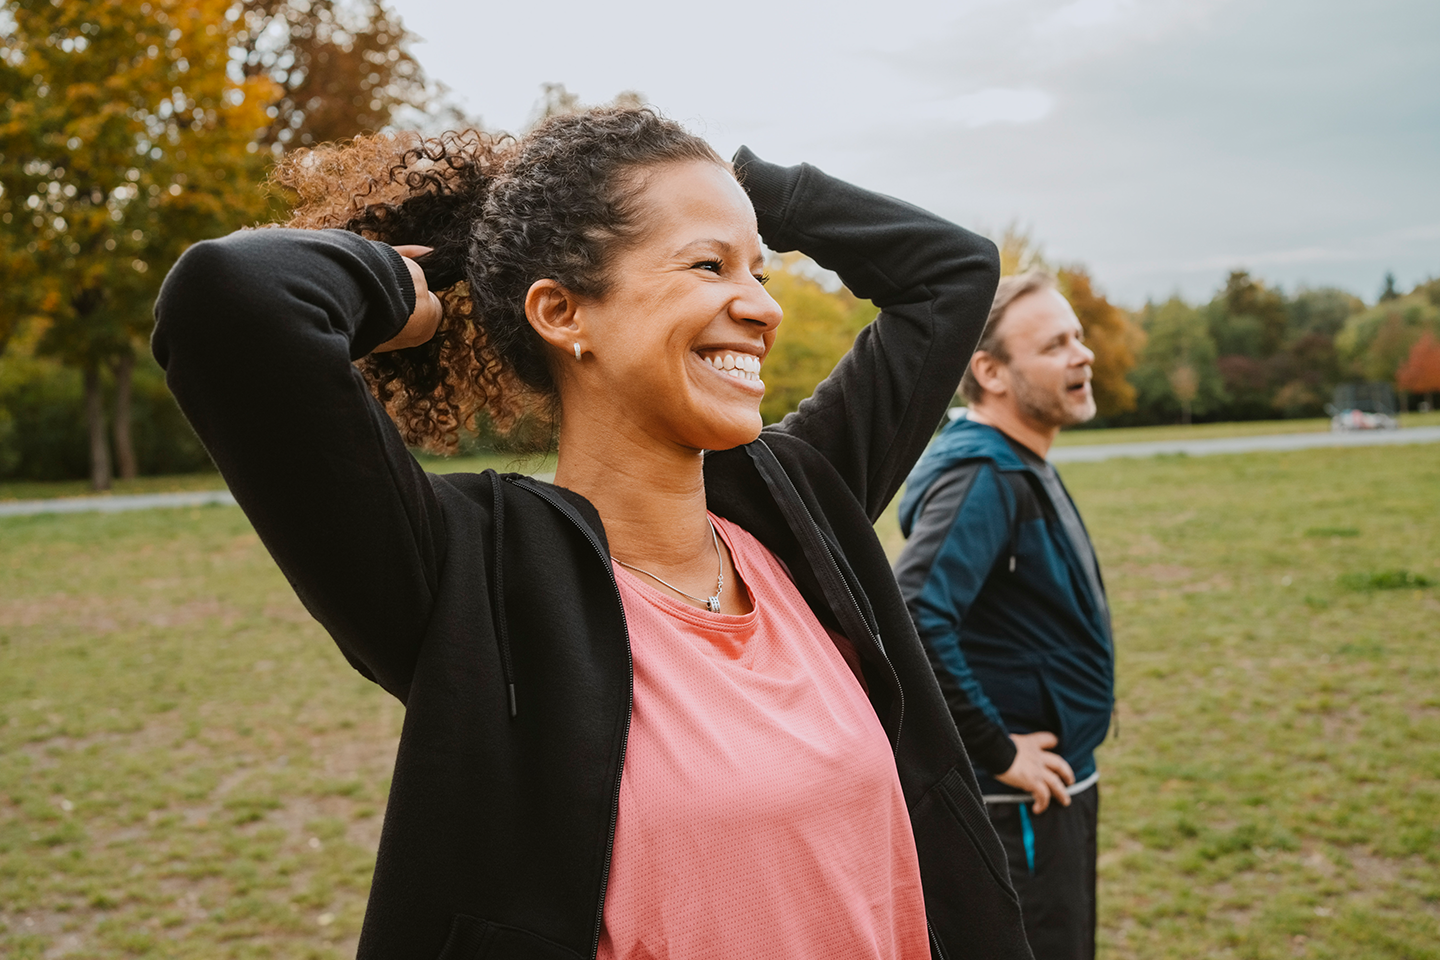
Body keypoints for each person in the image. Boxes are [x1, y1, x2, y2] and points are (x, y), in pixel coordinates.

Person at [153, 108, 1033, 959]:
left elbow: (951, 274)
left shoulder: (798, 505)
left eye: (758, 272)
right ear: (563, 313)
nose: (763, 309)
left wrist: (750, 186)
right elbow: (229, 301)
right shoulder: (472, 578)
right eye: (708, 265)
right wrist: (410, 285)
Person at [893, 272, 1114, 960]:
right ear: (989, 371)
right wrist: (998, 750)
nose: (1082, 355)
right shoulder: (983, 474)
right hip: (1018, 801)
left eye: (1078, 337)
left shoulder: (1019, 459)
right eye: (1055, 344)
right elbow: (915, 613)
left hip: (1053, 787)